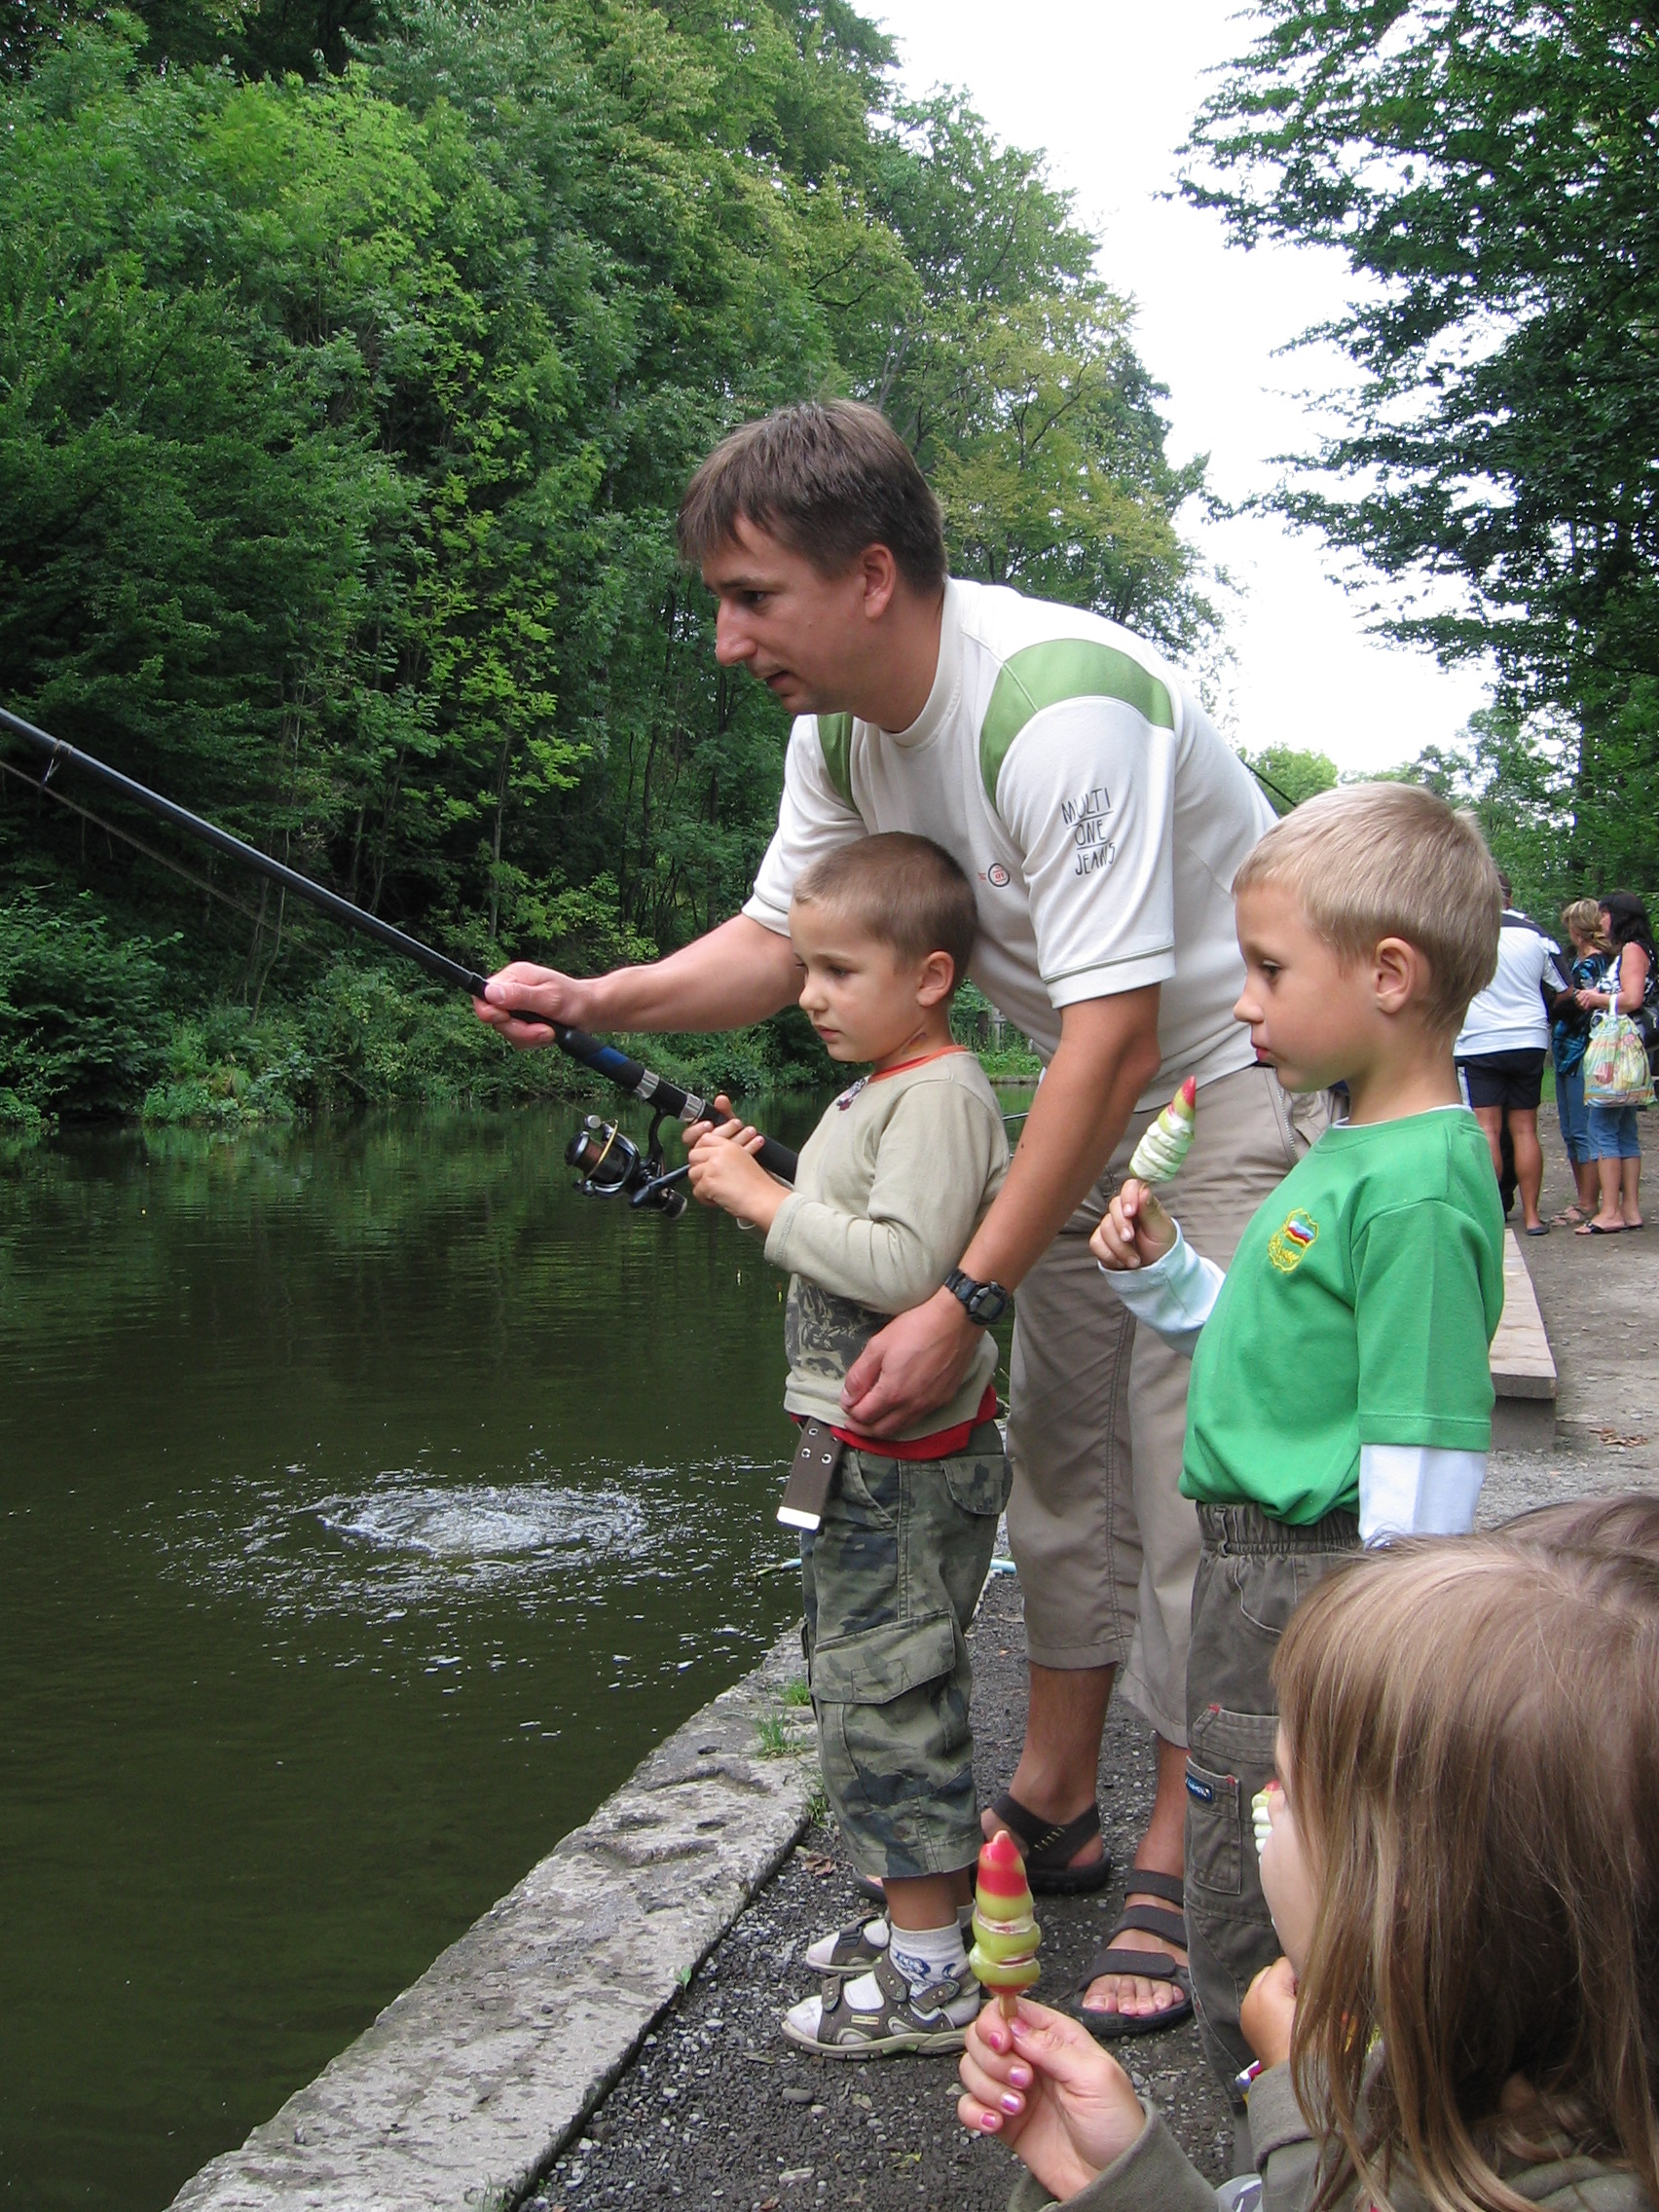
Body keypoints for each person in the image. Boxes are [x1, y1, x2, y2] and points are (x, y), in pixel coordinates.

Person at [476, 399, 1309, 2035]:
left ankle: (1167, 1837)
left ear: (868, 576)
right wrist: (600, 988)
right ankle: (1051, 1797)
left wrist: (965, 1293)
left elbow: (1118, 1030)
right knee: (1056, 1468)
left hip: (1216, 1094)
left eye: (749, 597)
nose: (725, 641)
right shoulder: (842, 735)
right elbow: (786, 942)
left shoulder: (1058, 710)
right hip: (1086, 1089)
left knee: (1179, 1472)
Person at [1088, 783, 1506, 2092]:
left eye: (1268, 970)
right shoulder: (1340, 1151)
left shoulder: (1419, 1182)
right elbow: (1264, 1354)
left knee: (1276, 1886)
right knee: (1252, 1868)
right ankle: (1285, 2132)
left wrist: (1393, 1639)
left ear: (1389, 975)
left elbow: (1422, 1432)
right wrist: (1164, 1275)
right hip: (1258, 1569)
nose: (1246, 1004)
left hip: (1316, 1587)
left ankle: (1303, 2141)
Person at [955, 1534, 1659, 2212]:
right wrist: (1119, 2182)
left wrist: (1308, 2114)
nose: (1264, 1799)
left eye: (1289, 1789)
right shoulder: (1440, 2078)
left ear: (1404, 1897)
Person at [682, 832, 1011, 2055]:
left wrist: (764, 1202)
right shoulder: (880, 1085)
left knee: (894, 1696)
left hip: (910, 1467)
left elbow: (905, 1268)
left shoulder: (936, 1093)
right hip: (857, 1461)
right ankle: (916, 1918)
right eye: (802, 969)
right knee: (860, 1680)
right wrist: (765, 1168)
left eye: (836, 971)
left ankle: (934, 1978)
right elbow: (856, 1218)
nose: (808, 994)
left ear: (929, 976)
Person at [1452, 872, 1566, 1235]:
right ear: (1510, 898)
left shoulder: (1462, 934)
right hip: (1529, 1038)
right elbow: (1563, 989)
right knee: (1524, 1129)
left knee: (1487, 1128)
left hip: (1480, 1040)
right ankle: (1532, 1217)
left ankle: (1491, 1215)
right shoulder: (1537, 934)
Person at [1573, 889, 1654, 1235]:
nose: (1600, 921)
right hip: (1628, 1050)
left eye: (1604, 914)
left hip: (1619, 1052)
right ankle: (1630, 1209)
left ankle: (1609, 1211)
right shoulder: (1635, 950)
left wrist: (1596, 998)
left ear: (1618, 915)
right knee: (1624, 1129)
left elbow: (1633, 998)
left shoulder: (1633, 951)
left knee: (1602, 1126)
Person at [1549, 897, 1609, 1225]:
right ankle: (1584, 1197)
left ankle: (1588, 1202)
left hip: (1580, 1052)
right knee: (1572, 1131)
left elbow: (1575, 1007)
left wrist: (1550, 1002)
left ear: (1580, 930)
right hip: (1566, 1052)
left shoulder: (1591, 966)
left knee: (1582, 1131)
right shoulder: (1580, 963)